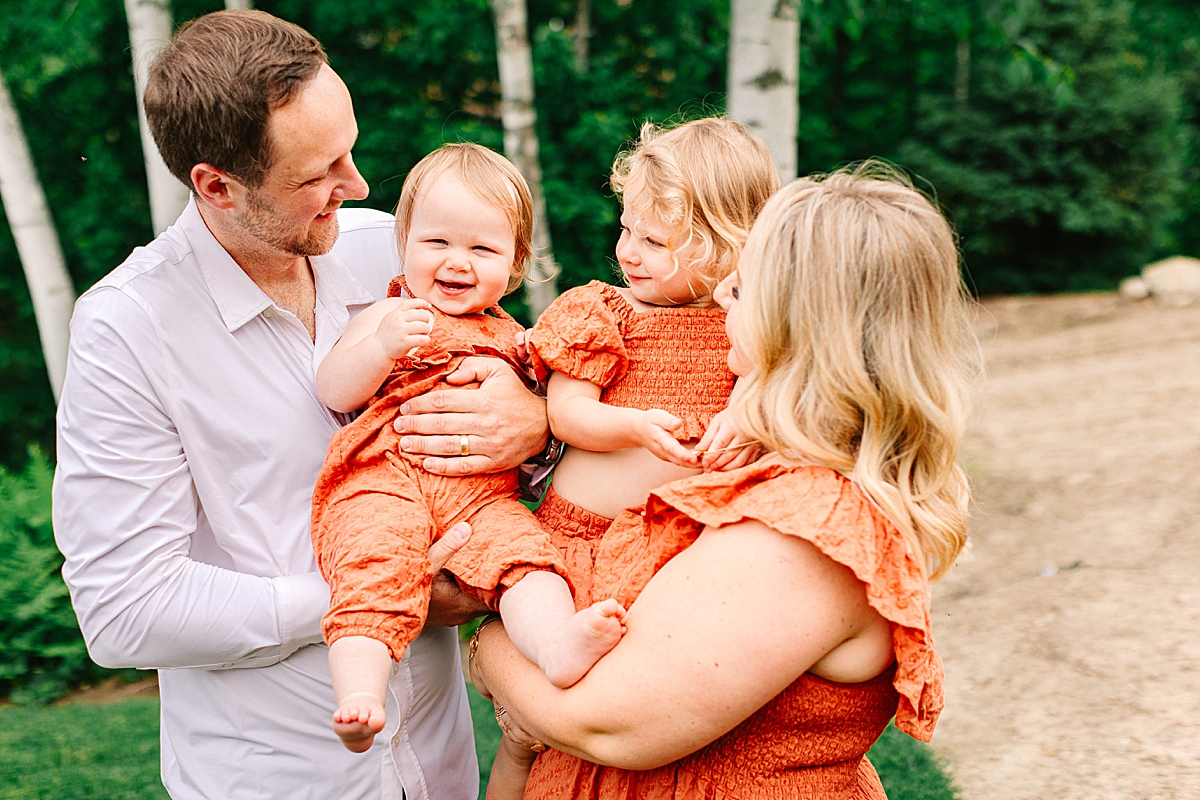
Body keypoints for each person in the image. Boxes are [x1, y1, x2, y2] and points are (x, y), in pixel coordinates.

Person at [51, 10, 543, 800]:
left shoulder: (390, 248)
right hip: (282, 778)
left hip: (448, 769)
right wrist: (388, 591)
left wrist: (533, 423)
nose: (359, 186)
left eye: (349, 149)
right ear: (216, 185)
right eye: (320, 173)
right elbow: (125, 608)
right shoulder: (128, 329)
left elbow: (526, 375)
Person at [469, 162, 982, 799]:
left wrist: (487, 645)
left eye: (745, 288)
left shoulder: (808, 527)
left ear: (797, 321)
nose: (721, 294)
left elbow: (605, 726)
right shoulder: (777, 467)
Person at [482, 116, 779, 799]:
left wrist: (743, 412)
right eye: (626, 228)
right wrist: (633, 426)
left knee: (648, 725)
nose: (629, 251)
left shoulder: (750, 326)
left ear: (727, 248)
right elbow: (567, 413)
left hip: (677, 558)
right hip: (580, 546)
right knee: (530, 733)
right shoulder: (607, 310)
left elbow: (783, 389)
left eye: (654, 240)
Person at [311, 143, 627, 754]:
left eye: (482, 249)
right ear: (404, 240)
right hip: (382, 475)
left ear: (514, 265)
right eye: (438, 243)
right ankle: (361, 693)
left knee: (528, 560)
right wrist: (379, 349)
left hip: (479, 498)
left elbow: (552, 423)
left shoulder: (518, 340)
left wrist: (536, 410)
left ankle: (555, 645)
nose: (457, 262)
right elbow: (331, 387)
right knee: (372, 565)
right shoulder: (386, 313)